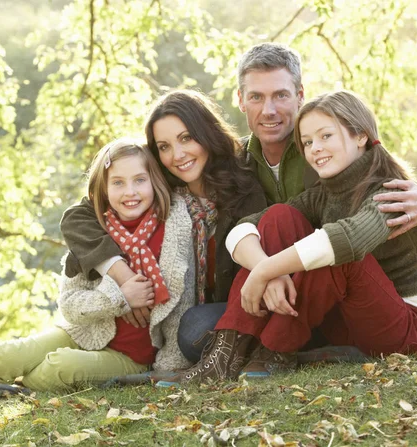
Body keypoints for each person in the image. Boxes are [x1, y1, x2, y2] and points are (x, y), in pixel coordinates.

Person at [176, 42, 417, 361]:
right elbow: (238, 224)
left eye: (280, 95)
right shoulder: (232, 163)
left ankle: (273, 351)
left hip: (365, 298)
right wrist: (266, 273)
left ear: (299, 95)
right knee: (194, 330)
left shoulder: (338, 157)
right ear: (241, 100)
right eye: (256, 97)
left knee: (336, 253)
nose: (269, 110)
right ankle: (260, 353)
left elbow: (359, 222)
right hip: (293, 292)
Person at [0, 140, 196, 391]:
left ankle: (16, 389)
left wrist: (167, 368)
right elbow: (70, 304)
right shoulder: (91, 234)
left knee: (60, 367)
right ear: (102, 189)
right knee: (4, 355)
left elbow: (183, 304)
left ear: (154, 181)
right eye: (118, 182)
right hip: (82, 333)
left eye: (140, 180)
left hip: (131, 358)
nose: (130, 192)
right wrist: (119, 298)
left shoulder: (172, 229)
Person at [59, 90, 267, 363]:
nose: (177, 155)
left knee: (193, 328)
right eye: (164, 146)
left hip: (231, 305)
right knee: (192, 329)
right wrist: (126, 281)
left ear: (206, 134)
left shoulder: (242, 187)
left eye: (186, 138)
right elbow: (77, 218)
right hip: (172, 321)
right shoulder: (161, 190)